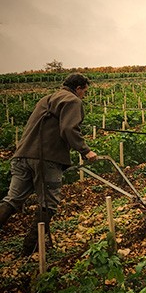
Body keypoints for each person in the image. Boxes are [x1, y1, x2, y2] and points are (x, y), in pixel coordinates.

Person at [0, 73, 97, 255]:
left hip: (21, 156)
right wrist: (85, 150)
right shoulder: (73, 101)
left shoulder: (47, 99)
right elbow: (68, 128)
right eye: (85, 91)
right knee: (48, 205)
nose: (84, 95)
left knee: (12, 200)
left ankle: (31, 248)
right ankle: (29, 249)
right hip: (47, 159)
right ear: (78, 88)